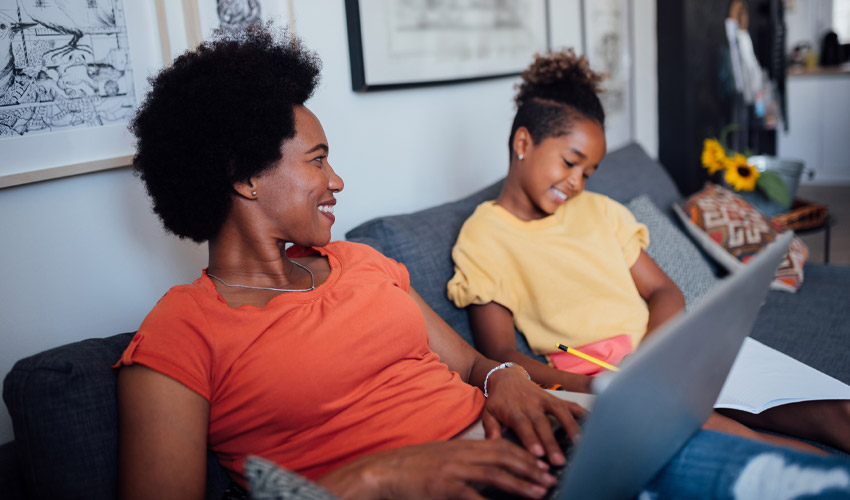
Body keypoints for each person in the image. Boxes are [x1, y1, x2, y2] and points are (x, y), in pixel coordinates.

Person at [115, 25, 850, 500]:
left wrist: (509, 383)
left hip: (536, 447)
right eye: (317, 160)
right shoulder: (181, 335)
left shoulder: (361, 264)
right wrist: (380, 475)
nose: (336, 180)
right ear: (245, 175)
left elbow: (474, 363)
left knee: (782, 478)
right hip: (437, 485)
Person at [447, 49, 850, 456]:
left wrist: (649, 355)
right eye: (571, 163)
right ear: (523, 142)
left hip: (671, 347)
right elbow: (499, 355)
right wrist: (593, 387)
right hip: (599, 374)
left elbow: (664, 292)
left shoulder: (601, 211)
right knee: (756, 447)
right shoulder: (484, 237)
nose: (576, 183)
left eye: (587, 172)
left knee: (838, 411)